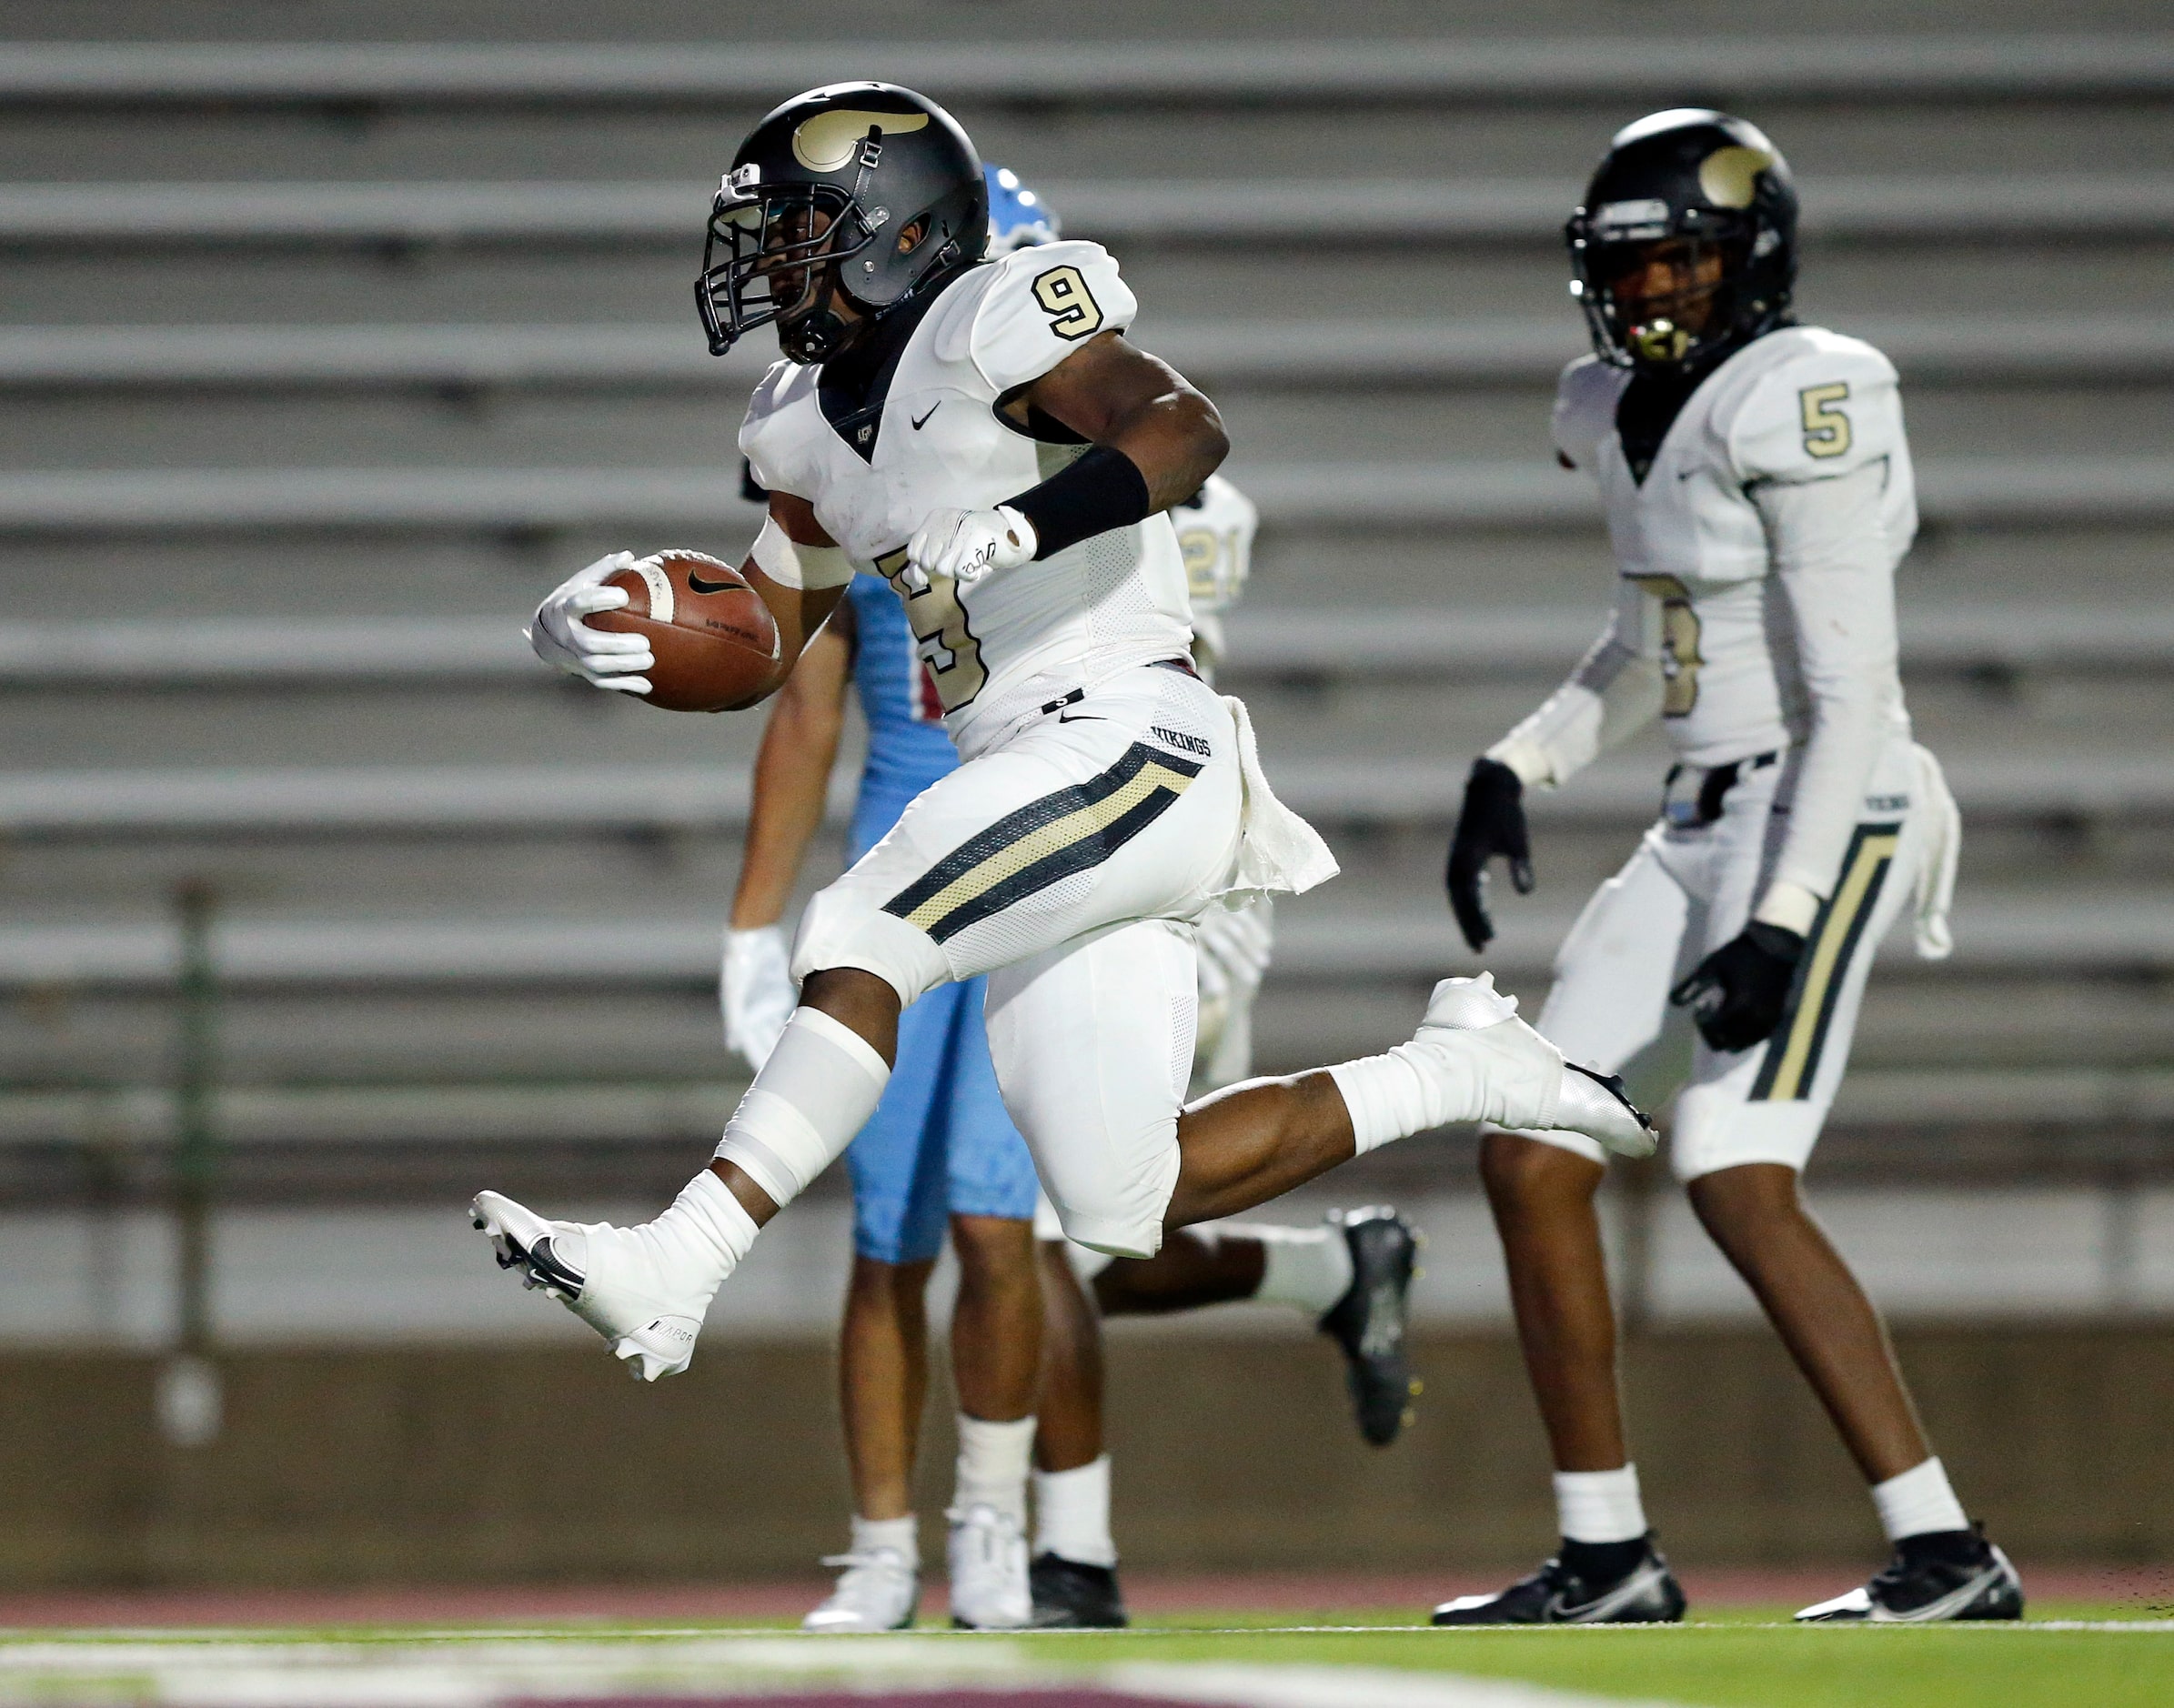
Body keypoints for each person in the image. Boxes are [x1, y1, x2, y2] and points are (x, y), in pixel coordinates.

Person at [478, 78, 1648, 1572]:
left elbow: (1180, 428)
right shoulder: (797, 423)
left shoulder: (991, 318)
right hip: (1038, 776)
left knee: (865, 921)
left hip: (1129, 734)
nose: (768, 271)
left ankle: (676, 1259)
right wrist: (613, 633)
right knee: (1117, 1199)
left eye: (797, 239)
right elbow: (775, 641)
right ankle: (1459, 1064)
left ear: (893, 232)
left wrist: (1031, 521)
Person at [719, 166, 1423, 1633]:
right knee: (916, 1228)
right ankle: (897, 1544)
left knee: (1033, 1222)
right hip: (916, 831)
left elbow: (1160, 539)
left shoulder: (1061, 416)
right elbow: (792, 684)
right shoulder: (844, 444)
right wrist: (751, 914)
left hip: (1075, 814)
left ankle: (1024, 1531)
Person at [1431, 110, 2018, 1627]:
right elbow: (1650, 642)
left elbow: (1849, 702)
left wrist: (1780, 919)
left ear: (1748, 259)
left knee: (1729, 1167)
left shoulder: (1807, 395)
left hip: (1832, 805)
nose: (1648, 297)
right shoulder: (1608, 401)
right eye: (1626, 269)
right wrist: (1521, 761)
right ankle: (1608, 1554)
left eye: (1679, 260)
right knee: (1527, 1138)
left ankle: (1944, 1547)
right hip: (1701, 809)